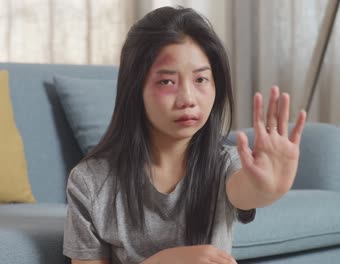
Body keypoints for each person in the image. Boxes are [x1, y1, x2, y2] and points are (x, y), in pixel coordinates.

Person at [63, 6, 306, 264]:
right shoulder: (89, 183)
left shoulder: (224, 164)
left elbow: (245, 190)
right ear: (135, 89)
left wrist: (267, 188)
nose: (188, 99)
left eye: (200, 80)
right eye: (167, 82)